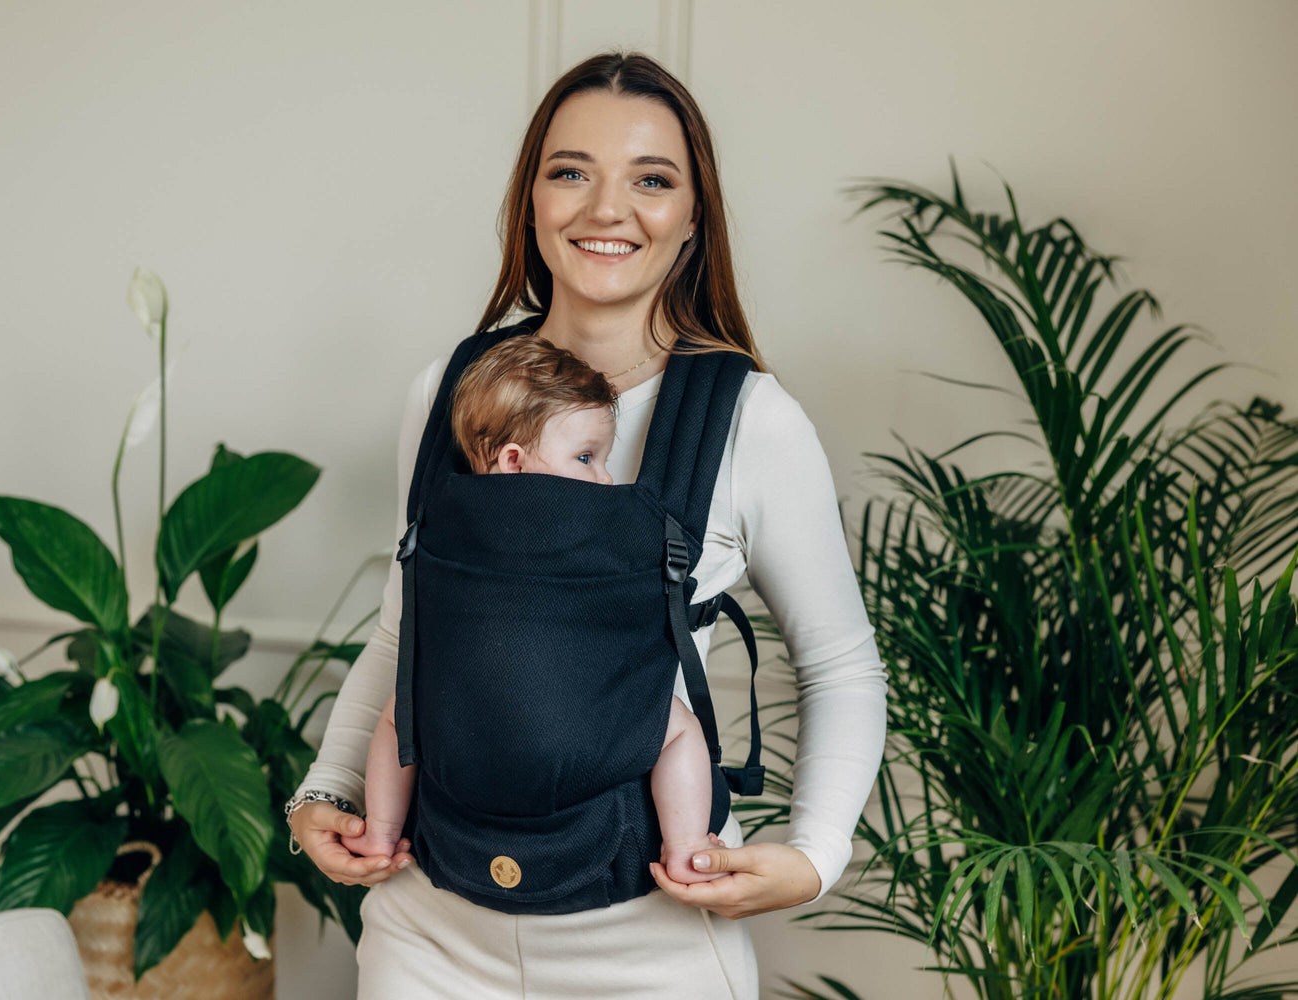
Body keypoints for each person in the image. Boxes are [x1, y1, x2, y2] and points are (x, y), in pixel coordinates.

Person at [288, 50, 887, 999]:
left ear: (693, 221)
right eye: (571, 172)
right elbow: (408, 630)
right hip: (428, 932)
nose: (608, 210)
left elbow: (840, 660)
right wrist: (325, 792)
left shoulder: (750, 419)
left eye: (652, 181)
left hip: (650, 941)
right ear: (531, 202)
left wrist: (815, 852)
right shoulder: (448, 393)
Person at [338, 333, 728, 887]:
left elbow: (401, 640)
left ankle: (379, 833)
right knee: (678, 728)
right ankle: (688, 847)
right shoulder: (600, 523)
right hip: (587, 726)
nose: (606, 479)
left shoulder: (446, 514)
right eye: (588, 458)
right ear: (514, 462)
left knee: (397, 718)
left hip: (458, 719)